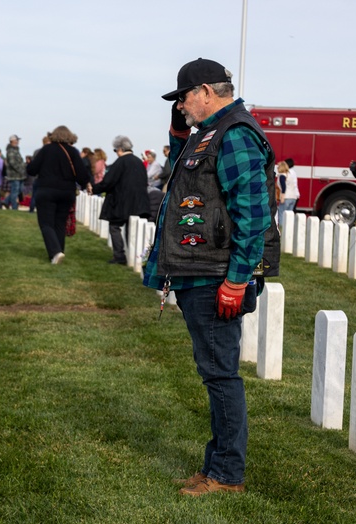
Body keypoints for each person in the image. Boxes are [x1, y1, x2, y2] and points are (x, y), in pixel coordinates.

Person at [142, 58, 279, 496]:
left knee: (220, 374)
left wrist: (237, 279)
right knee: (213, 371)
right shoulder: (209, 134)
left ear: (205, 91)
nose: (181, 105)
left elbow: (254, 214)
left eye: (183, 98)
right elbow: (183, 172)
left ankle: (226, 474)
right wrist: (178, 129)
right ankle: (215, 464)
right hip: (198, 271)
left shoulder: (235, 134)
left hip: (216, 275)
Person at [26, 125, 90, 264]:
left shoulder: (46, 150)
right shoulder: (73, 152)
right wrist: (87, 184)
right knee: (60, 223)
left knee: (46, 223)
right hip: (67, 192)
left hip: (47, 190)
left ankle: (55, 252)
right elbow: (82, 174)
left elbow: (32, 170)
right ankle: (58, 251)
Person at [89, 135, 150, 265]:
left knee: (114, 227)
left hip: (122, 202)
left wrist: (93, 189)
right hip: (139, 202)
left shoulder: (120, 162)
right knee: (132, 229)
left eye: (115, 150)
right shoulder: (139, 162)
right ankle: (136, 256)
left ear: (120, 149)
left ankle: (119, 256)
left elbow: (108, 182)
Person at [4, 134, 26, 210]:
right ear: (12, 141)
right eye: (16, 140)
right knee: (15, 191)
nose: (18, 141)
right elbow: (12, 163)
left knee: (18, 190)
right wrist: (21, 170)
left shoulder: (16, 150)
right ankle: (14, 207)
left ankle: (6, 201)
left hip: (19, 175)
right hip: (14, 175)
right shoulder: (11, 151)